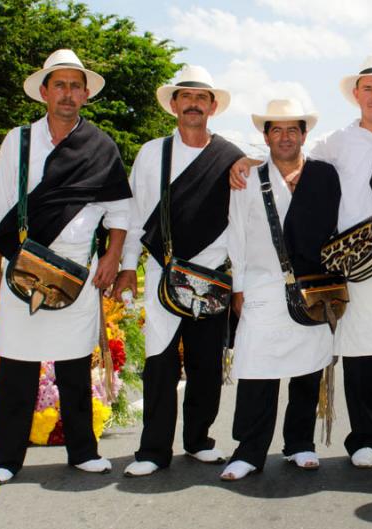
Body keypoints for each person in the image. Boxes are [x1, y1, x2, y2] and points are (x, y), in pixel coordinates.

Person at [232, 53, 372, 471]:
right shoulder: (335, 142)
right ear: (356, 95)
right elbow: (289, 157)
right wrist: (246, 162)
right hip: (357, 268)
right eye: (367, 89)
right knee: (362, 359)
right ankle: (367, 438)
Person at [0, 49, 132, 483]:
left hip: (76, 271)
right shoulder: (19, 140)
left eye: (75, 85)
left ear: (85, 94)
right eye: (59, 85)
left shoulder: (101, 146)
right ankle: (5, 459)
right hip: (23, 263)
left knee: (74, 364)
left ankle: (83, 450)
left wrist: (112, 257)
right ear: (44, 92)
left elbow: (119, 212)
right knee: (17, 365)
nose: (67, 93)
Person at [113, 66, 245, 477]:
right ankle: (153, 449)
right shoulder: (153, 153)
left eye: (201, 97)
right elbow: (135, 217)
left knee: (207, 363)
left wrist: (239, 282)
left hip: (212, 276)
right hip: (163, 271)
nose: (193, 104)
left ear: (213, 106)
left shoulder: (231, 157)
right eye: (185, 96)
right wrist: (126, 268)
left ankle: (199, 440)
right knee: (161, 361)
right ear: (173, 104)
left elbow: (241, 224)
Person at [220, 99, 340, 481]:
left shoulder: (324, 175)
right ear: (265, 135)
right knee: (257, 371)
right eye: (277, 130)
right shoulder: (247, 178)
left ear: (305, 135)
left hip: (312, 288)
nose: (285, 137)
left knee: (307, 371)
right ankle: (249, 451)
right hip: (261, 287)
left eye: (293, 130)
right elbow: (235, 233)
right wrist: (238, 287)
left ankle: (300, 443)